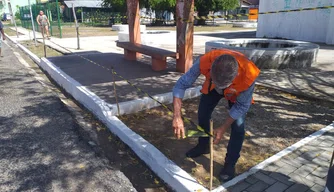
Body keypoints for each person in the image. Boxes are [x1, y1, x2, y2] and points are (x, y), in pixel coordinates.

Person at [172, 49, 260, 182]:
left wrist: (223, 127)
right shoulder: (206, 60)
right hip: (212, 88)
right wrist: (177, 116)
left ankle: (230, 163)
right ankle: (203, 145)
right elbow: (181, 85)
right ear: (211, 68)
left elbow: (241, 106)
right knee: (203, 112)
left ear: (235, 75)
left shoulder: (249, 74)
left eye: (223, 85)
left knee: (238, 127)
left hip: (235, 92)